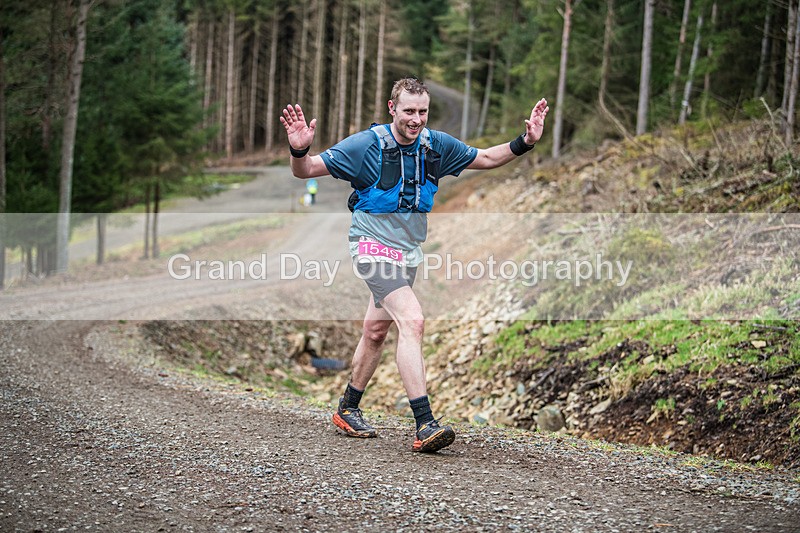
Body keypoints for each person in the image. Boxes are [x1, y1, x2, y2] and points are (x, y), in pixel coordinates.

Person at [280, 78, 548, 453]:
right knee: (413, 319)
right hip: (371, 248)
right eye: (408, 111)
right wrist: (299, 149)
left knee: (376, 331)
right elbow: (305, 170)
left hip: (407, 253)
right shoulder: (364, 146)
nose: (416, 119)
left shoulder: (435, 145)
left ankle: (347, 408)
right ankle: (425, 423)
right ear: (392, 109)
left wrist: (527, 142)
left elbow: (486, 158)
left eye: (422, 111)